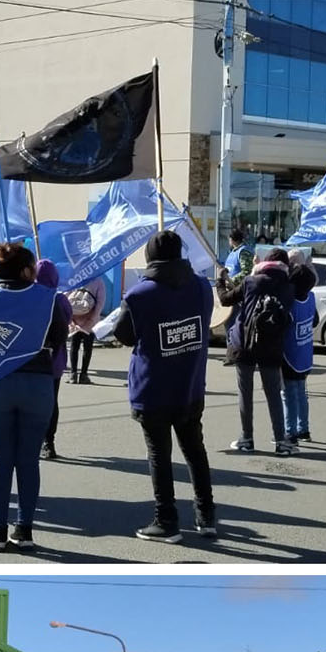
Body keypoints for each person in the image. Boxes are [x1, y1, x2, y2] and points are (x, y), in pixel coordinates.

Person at [113, 229, 217, 543]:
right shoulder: (201, 286)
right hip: (190, 384)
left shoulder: (139, 295)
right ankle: (206, 515)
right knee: (195, 451)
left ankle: (166, 520)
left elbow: (125, 335)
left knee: (160, 454)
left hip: (154, 388)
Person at [0, 242, 68, 552]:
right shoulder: (47, 298)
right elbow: (58, 338)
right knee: (28, 461)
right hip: (38, 384)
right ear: (28, 271)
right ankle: (24, 530)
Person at [217, 246, 296, 456]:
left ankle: (247, 438)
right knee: (273, 394)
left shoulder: (251, 282)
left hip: (245, 344)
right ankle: (281, 441)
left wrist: (220, 280)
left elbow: (226, 299)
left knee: (246, 392)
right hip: (272, 346)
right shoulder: (289, 287)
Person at [37, 259, 74, 461]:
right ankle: (48, 442)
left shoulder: (30, 296)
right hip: (55, 359)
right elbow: (68, 321)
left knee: (32, 402)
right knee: (51, 401)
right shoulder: (60, 299)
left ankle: (33, 440)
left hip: (32, 359)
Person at [280, 251, 318, 443]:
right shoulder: (310, 298)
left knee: (288, 394)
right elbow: (315, 321)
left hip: (290, 354)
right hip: (305, 354)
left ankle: (290, 432)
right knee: (302, 392)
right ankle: (304, 429)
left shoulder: (291, 304)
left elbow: (282, 326)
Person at [67, 277, 106, 384]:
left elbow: (66, 298)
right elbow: (100, 302)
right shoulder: (98, 281)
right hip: (89, 321)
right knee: (87, 349)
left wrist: (70, 319)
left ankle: (73, 375)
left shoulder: (77, 278)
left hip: (75, 319)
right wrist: (93, 319)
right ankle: (84, 375)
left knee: (74, 347)